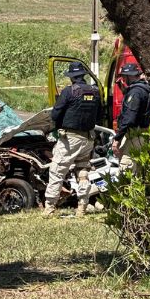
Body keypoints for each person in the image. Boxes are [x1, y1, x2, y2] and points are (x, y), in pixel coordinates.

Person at [43, 61, 101, 217]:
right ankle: (82, 206)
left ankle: (49, 207)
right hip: (88, 138)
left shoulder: (69, 92)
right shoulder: (95, 91)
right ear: (83, 75)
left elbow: (55, 114)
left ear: (71, 77)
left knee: (57, 170)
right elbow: (99, 114)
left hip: (71, 139)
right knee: (82, 171)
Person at [113, 62, 150, 173]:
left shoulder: (135, 92)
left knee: (127, 170)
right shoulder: (146, 88)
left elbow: (129, 118)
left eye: (124, 77)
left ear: (129, 76)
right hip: (145, 135)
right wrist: (125, 92)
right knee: (144, 171)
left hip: (135, 137)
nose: (123, 79)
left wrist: (117, 139)